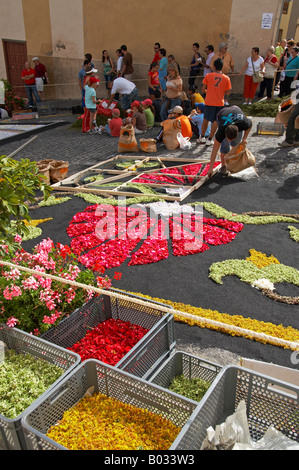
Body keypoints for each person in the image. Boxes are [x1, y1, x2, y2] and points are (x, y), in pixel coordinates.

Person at [207, 105, 253, 177]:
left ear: (238, 133)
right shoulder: (221, 131)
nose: (229, 141)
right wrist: (210, 169)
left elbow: (250, 124)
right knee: (225, 146)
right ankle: (223, 166)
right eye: (228, 138)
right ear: (225, 134)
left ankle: (234, 164)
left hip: (237, 110)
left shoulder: (244, 123)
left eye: (231, 139)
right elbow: (214, 150)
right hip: (222, 114)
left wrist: (244, 138)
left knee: (236, 145)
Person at [198, 58, 232, 146]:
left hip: (209, 101)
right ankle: (210, 139)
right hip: (220, 102)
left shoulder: (208, 76)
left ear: (214, 66)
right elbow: (228, 92)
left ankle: (202, 137)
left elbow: (202, 89)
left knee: (206, 119)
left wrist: (208, 92)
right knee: (215, 121)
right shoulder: (226, 78)